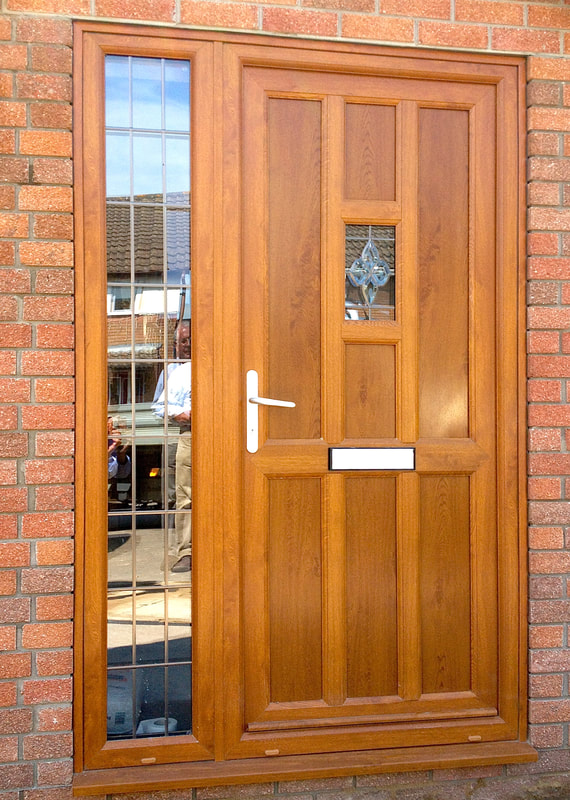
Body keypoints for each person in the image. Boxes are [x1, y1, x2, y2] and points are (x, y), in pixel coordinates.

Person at [152, 321, 191, 573]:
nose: (186, 346)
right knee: (186, 494)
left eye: (190, 341)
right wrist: (182, 413)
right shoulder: (176, 372)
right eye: (182, 341)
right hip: (191, 433)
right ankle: (187, 551)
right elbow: (159, 406)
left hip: (229, 434)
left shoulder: (222, 362)